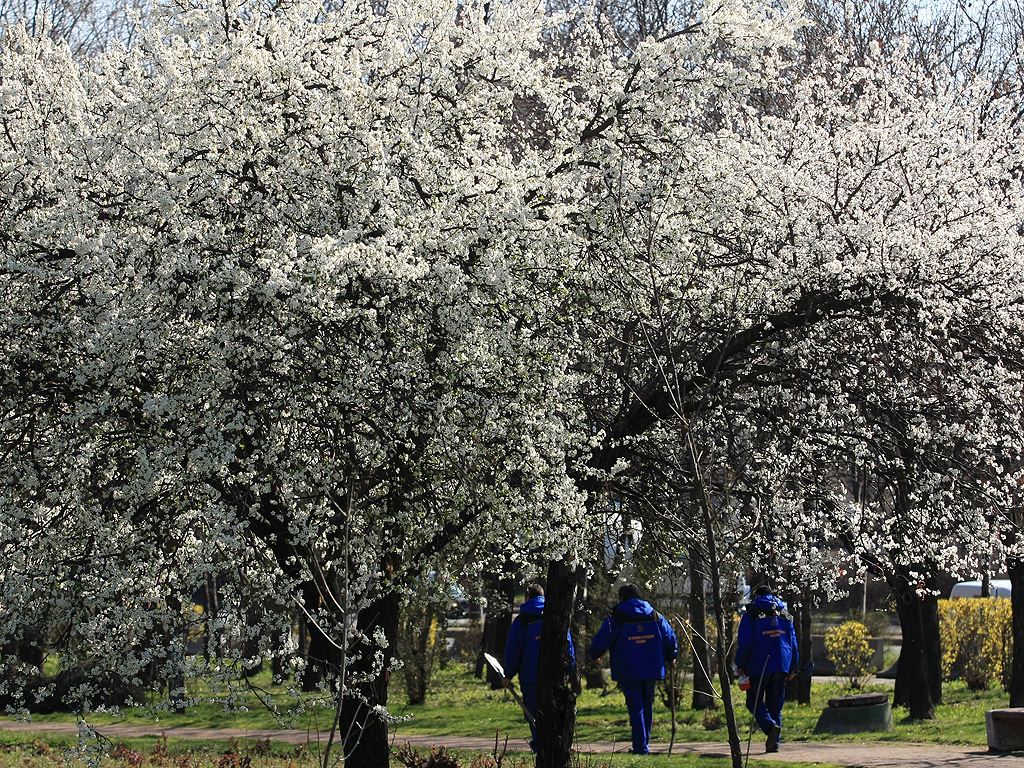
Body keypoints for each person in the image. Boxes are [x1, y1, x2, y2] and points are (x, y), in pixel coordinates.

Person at [588, 583, 678, 755]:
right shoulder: (654, 614)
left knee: (636, 707)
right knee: (647, 705)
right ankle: (644, 743)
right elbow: (669, 636)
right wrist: (671, 655)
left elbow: (603, 638)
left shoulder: (618, 616)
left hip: (628, 669)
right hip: (651, 667)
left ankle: (641, 747)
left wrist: (594, 654)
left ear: (622, 598)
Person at [502, 583, 576, 751]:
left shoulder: (522, 620)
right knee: (553, 711)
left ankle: (540, 747)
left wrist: (508, 674)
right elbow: (568, 643)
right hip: (555, 675)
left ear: (527, 597)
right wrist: (569, 668)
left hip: (531, 676)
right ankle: (555, 747)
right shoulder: (555, 615)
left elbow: (514, 649)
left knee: (534, 714)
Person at [735, 583, 799, 753]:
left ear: (756, 596)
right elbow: (793, 642)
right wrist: (792, 667)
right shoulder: (784, 613)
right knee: (775, 705)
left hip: (759, 664)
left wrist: (740, 664)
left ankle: (770, 727)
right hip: (781, 664)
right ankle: (774, 744)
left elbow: (745, 643)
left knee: (753, 701)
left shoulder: (751, 614)